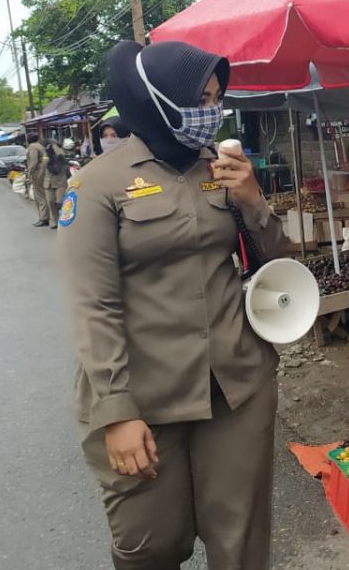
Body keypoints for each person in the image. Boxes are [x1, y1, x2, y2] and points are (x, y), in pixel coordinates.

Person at [60, 40, 287, 570]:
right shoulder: (97, 185)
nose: (211, 113)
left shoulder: (225, 169)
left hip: (237, 383)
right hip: (145, 392)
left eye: (215, 100)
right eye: (199, 100)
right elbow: (92, 303)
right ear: (158, 99)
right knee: (152, 543)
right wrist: (116, 411)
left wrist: (254, 200)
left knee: (241, 540)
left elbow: (277, 263)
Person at [43, 137, 70, 229]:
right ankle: (55, 221)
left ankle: (65, 219)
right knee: (50, 202)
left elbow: (61, 155)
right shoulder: (43, 152)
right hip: (48, 181)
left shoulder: (58, 150)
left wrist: (54, 147)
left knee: (60, 202)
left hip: (59, 180)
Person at [26, 133, 50, 227]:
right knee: (42, 194)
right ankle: (45, 217)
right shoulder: (40, 146)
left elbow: (33, 162)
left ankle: (43, 218)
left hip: (38, 173)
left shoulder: (32, 148)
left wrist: (29, 172)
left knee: (39, 196)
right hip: (43, 171)